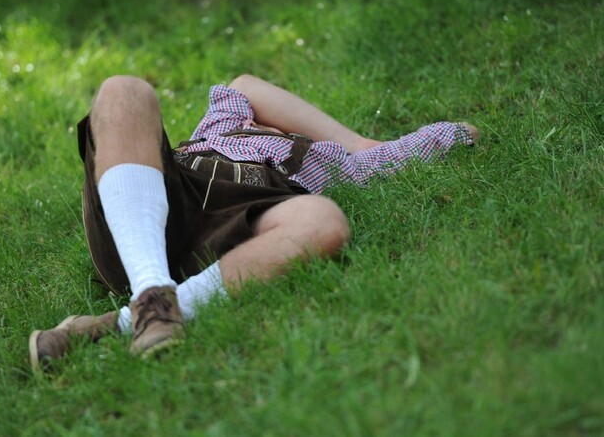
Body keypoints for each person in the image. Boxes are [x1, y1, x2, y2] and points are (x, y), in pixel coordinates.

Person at [29, 74, 479, 369]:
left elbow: (459, 135)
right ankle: (149, 286)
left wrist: (359, 146)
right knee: (124, 90)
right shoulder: (220, 126)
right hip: (155, 209)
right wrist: (352, 137)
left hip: (243, 234)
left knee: (323, 218)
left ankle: (132, 317)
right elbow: (244, 86)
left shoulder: (341, 164)